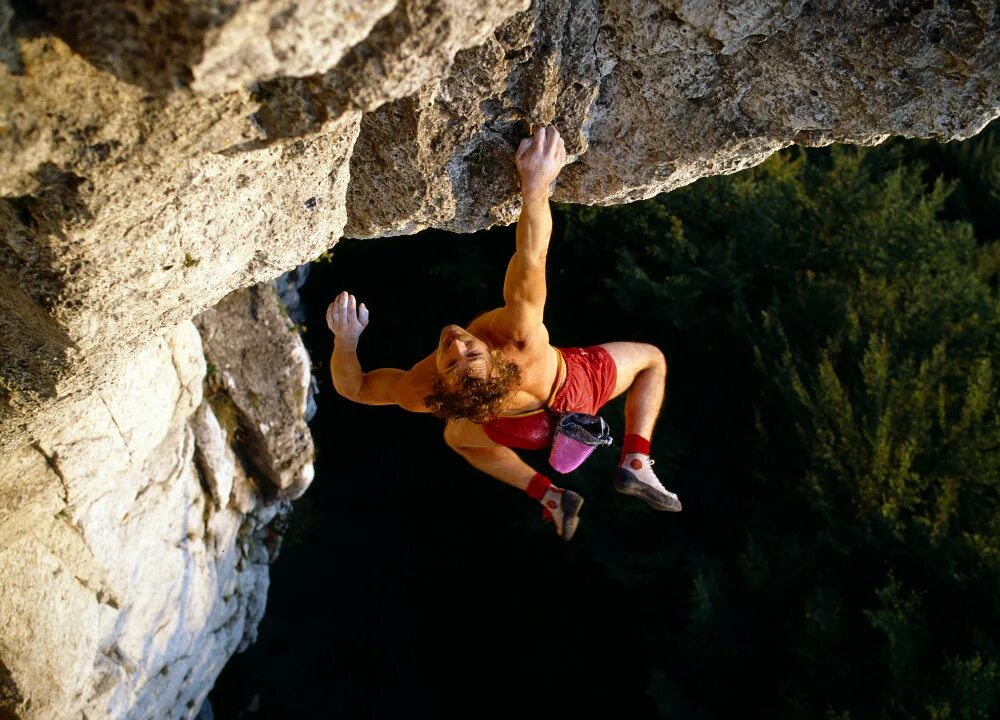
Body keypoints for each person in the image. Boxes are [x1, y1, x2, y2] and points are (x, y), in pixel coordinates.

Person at [326, 126, 681, 541]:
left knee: (460, 438)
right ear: (492, 360)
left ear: (444, 386)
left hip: (521, 430)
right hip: (577, 386)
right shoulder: (518, 336)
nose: (456, 344)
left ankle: (551, 494)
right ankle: (635, 460)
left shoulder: (425, 390)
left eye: (455, 360)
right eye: (468, 356)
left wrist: (345, 343)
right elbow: (532, 256)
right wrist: (537, 184)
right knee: (652, 359)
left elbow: (356, 387)